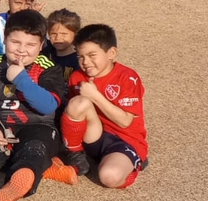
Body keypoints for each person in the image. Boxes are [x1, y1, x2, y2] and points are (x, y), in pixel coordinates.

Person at [0, 10, 68, 201]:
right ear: (5, 38)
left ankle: (26, 172)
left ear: (41, 45)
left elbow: (47, 105)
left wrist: (21, 79)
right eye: (15, 42)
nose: (21, 50)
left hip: (37, 127)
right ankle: (40, 165)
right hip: (2, 128)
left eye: (30, 45)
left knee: (37, 145)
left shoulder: (48, 68)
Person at [58, 24, 148, 189]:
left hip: (124, 139)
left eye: (92, 55)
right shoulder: (77, 76)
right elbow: (72, 112)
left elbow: (125, 121)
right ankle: (76, 154)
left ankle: (132, 164)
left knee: (108, 177)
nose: (85, 62)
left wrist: (95, 96)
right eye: (80, 56)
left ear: (111, 53)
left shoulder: (128, 77)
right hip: (92, 135)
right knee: (78, 103)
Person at [42, 8, 81, 81]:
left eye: (64, 34)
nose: (58, 38)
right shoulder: (45, 53)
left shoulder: (78, 60)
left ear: (75, 34)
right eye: (53, 34)